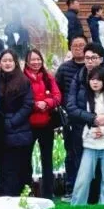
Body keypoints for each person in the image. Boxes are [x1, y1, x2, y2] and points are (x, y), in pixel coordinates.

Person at [68, 62, 104, 205]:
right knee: (83, 178)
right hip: (90, 142)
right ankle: (76, 206)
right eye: (92, 79)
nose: (95, 82)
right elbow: (77, 114)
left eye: (98, 79)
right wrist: (93, 124)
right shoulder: (84, 96)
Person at [0, 49, 34, 196]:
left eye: (10, 60)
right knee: (3, 168)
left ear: (15, 62)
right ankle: (6, 198)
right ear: (0, 63)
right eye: (4, 60)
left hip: (19, 131)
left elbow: (28, 105)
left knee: (20, 168)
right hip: (1, 131)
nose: (7, 63)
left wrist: (12, 121)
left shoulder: (23, 81)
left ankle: (22, 198)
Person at [25, 49, 62, 198]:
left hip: (46, 123)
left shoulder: (48, 77)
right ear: (27, 62)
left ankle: (48, 194)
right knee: (25, 160)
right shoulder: (22, 78)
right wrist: (34, 105)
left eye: (38, 59)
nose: (36, 62)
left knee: (47, 160)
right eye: (32, 60)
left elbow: (58, 96)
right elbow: (19, 98)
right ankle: (27, 193)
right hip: (28, 125)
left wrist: (47, 103)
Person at [56, 36, 88, 197]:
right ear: (70, 48)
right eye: (75, 45)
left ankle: (90, 188)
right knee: (71, 154)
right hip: (71, 119)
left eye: (81, 45)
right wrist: (66, 108)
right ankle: (72, 187)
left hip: (90, 117)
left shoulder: (92, 67)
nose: (78, 48)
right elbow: (58, 91)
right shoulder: (64, 69)